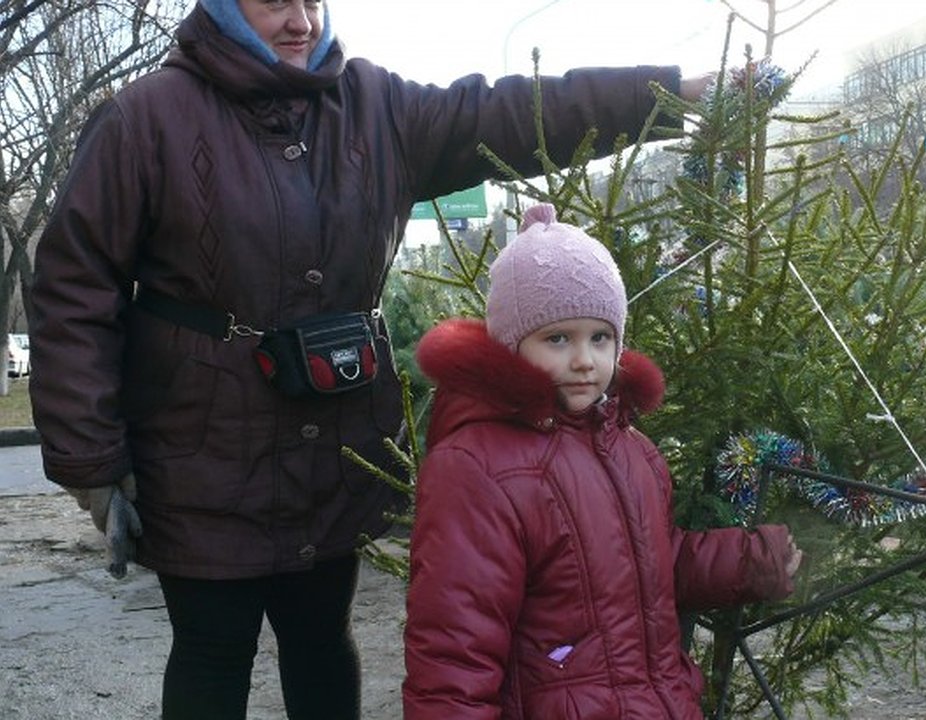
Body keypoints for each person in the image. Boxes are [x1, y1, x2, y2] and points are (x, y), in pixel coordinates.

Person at [29, 1, 712, 718]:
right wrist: (92, 463)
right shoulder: (146, 117)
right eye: (273, 2)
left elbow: (509, 113)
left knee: (324, 639)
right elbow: (74, 289)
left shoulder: (373, 106)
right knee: (211, 648)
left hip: (338, 445)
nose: (300, 21)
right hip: (202, 456)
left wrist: (675, 92)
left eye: (313, 1)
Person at [404, 203, 802, 719]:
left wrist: (750, 562)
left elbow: (653, 560)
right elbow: (454, 650)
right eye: (556, 339)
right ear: (511, 346)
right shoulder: (476, 467)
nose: (583, 360)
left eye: (600, 337)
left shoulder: (630, 447)